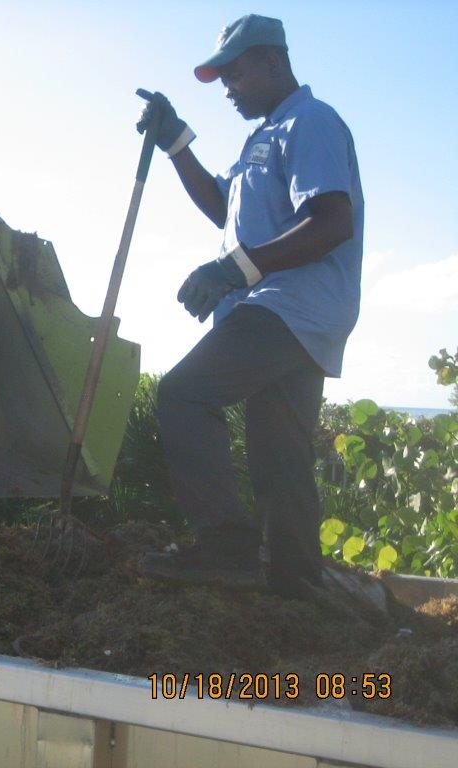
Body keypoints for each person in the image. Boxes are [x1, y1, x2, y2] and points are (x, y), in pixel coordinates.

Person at [136, 14, 364, 599]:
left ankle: (226, 547)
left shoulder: (308, 122)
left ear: (273, 61)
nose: (229, 89)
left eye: (235, 74)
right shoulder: (264, 137)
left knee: (184, 393)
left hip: (287, 306)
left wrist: (235, 270)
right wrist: (176, 142)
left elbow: (333, 221)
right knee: (279, 458)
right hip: (294, 317)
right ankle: (296, 588)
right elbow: (224, 211)